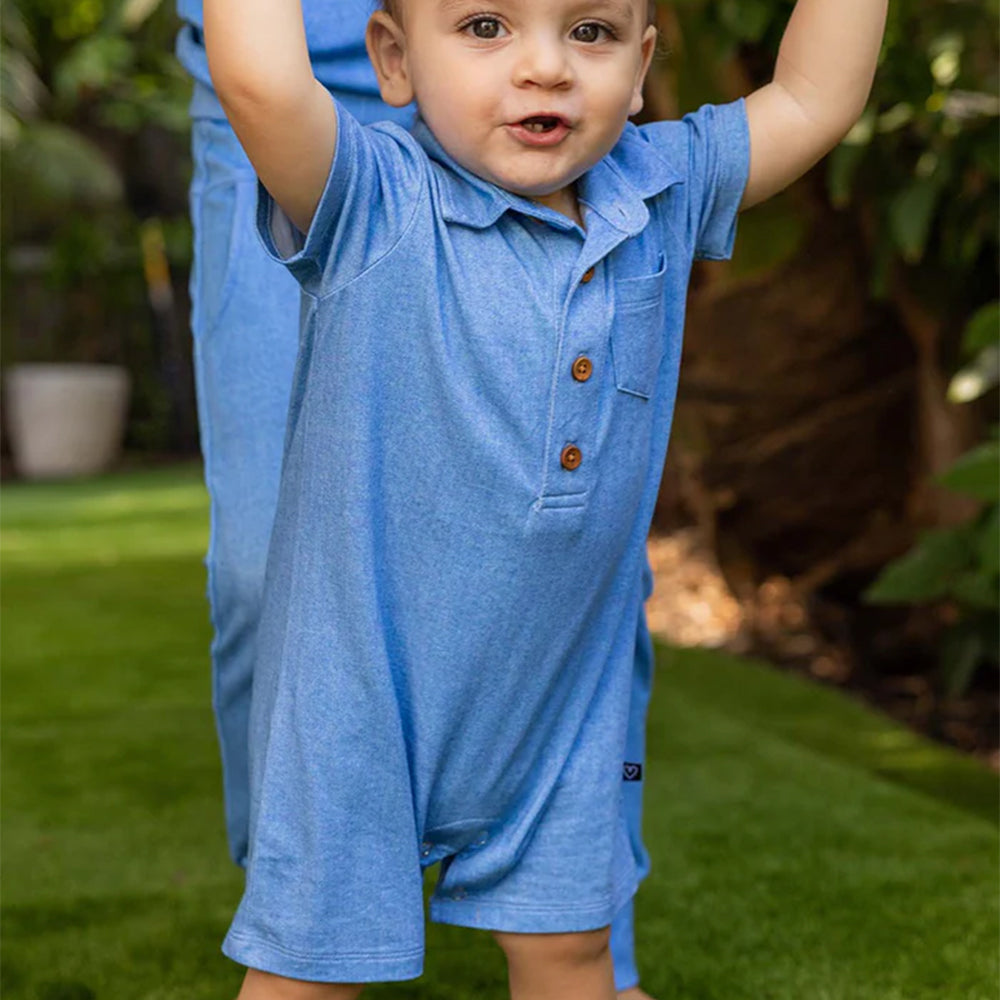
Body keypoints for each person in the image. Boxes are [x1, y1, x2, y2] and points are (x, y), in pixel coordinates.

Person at [203, 0, 887, 996]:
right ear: (392, 59)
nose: (545, 68)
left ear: (644, 61)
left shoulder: (661, 187)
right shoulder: (370, 200)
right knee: (309, 974)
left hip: (563, 705)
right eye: (485, 26)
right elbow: (261, 80)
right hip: (359, 709)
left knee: (572, 957)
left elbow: (816, 96)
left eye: (591, 32)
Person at [177, 0, 657, 994]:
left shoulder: (617, 133)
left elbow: (804, 104)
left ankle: (572, 935)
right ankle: (317, 914)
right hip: (305, 56)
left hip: (550, 77)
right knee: (267, 577)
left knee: (568, 556)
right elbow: (263, 80)